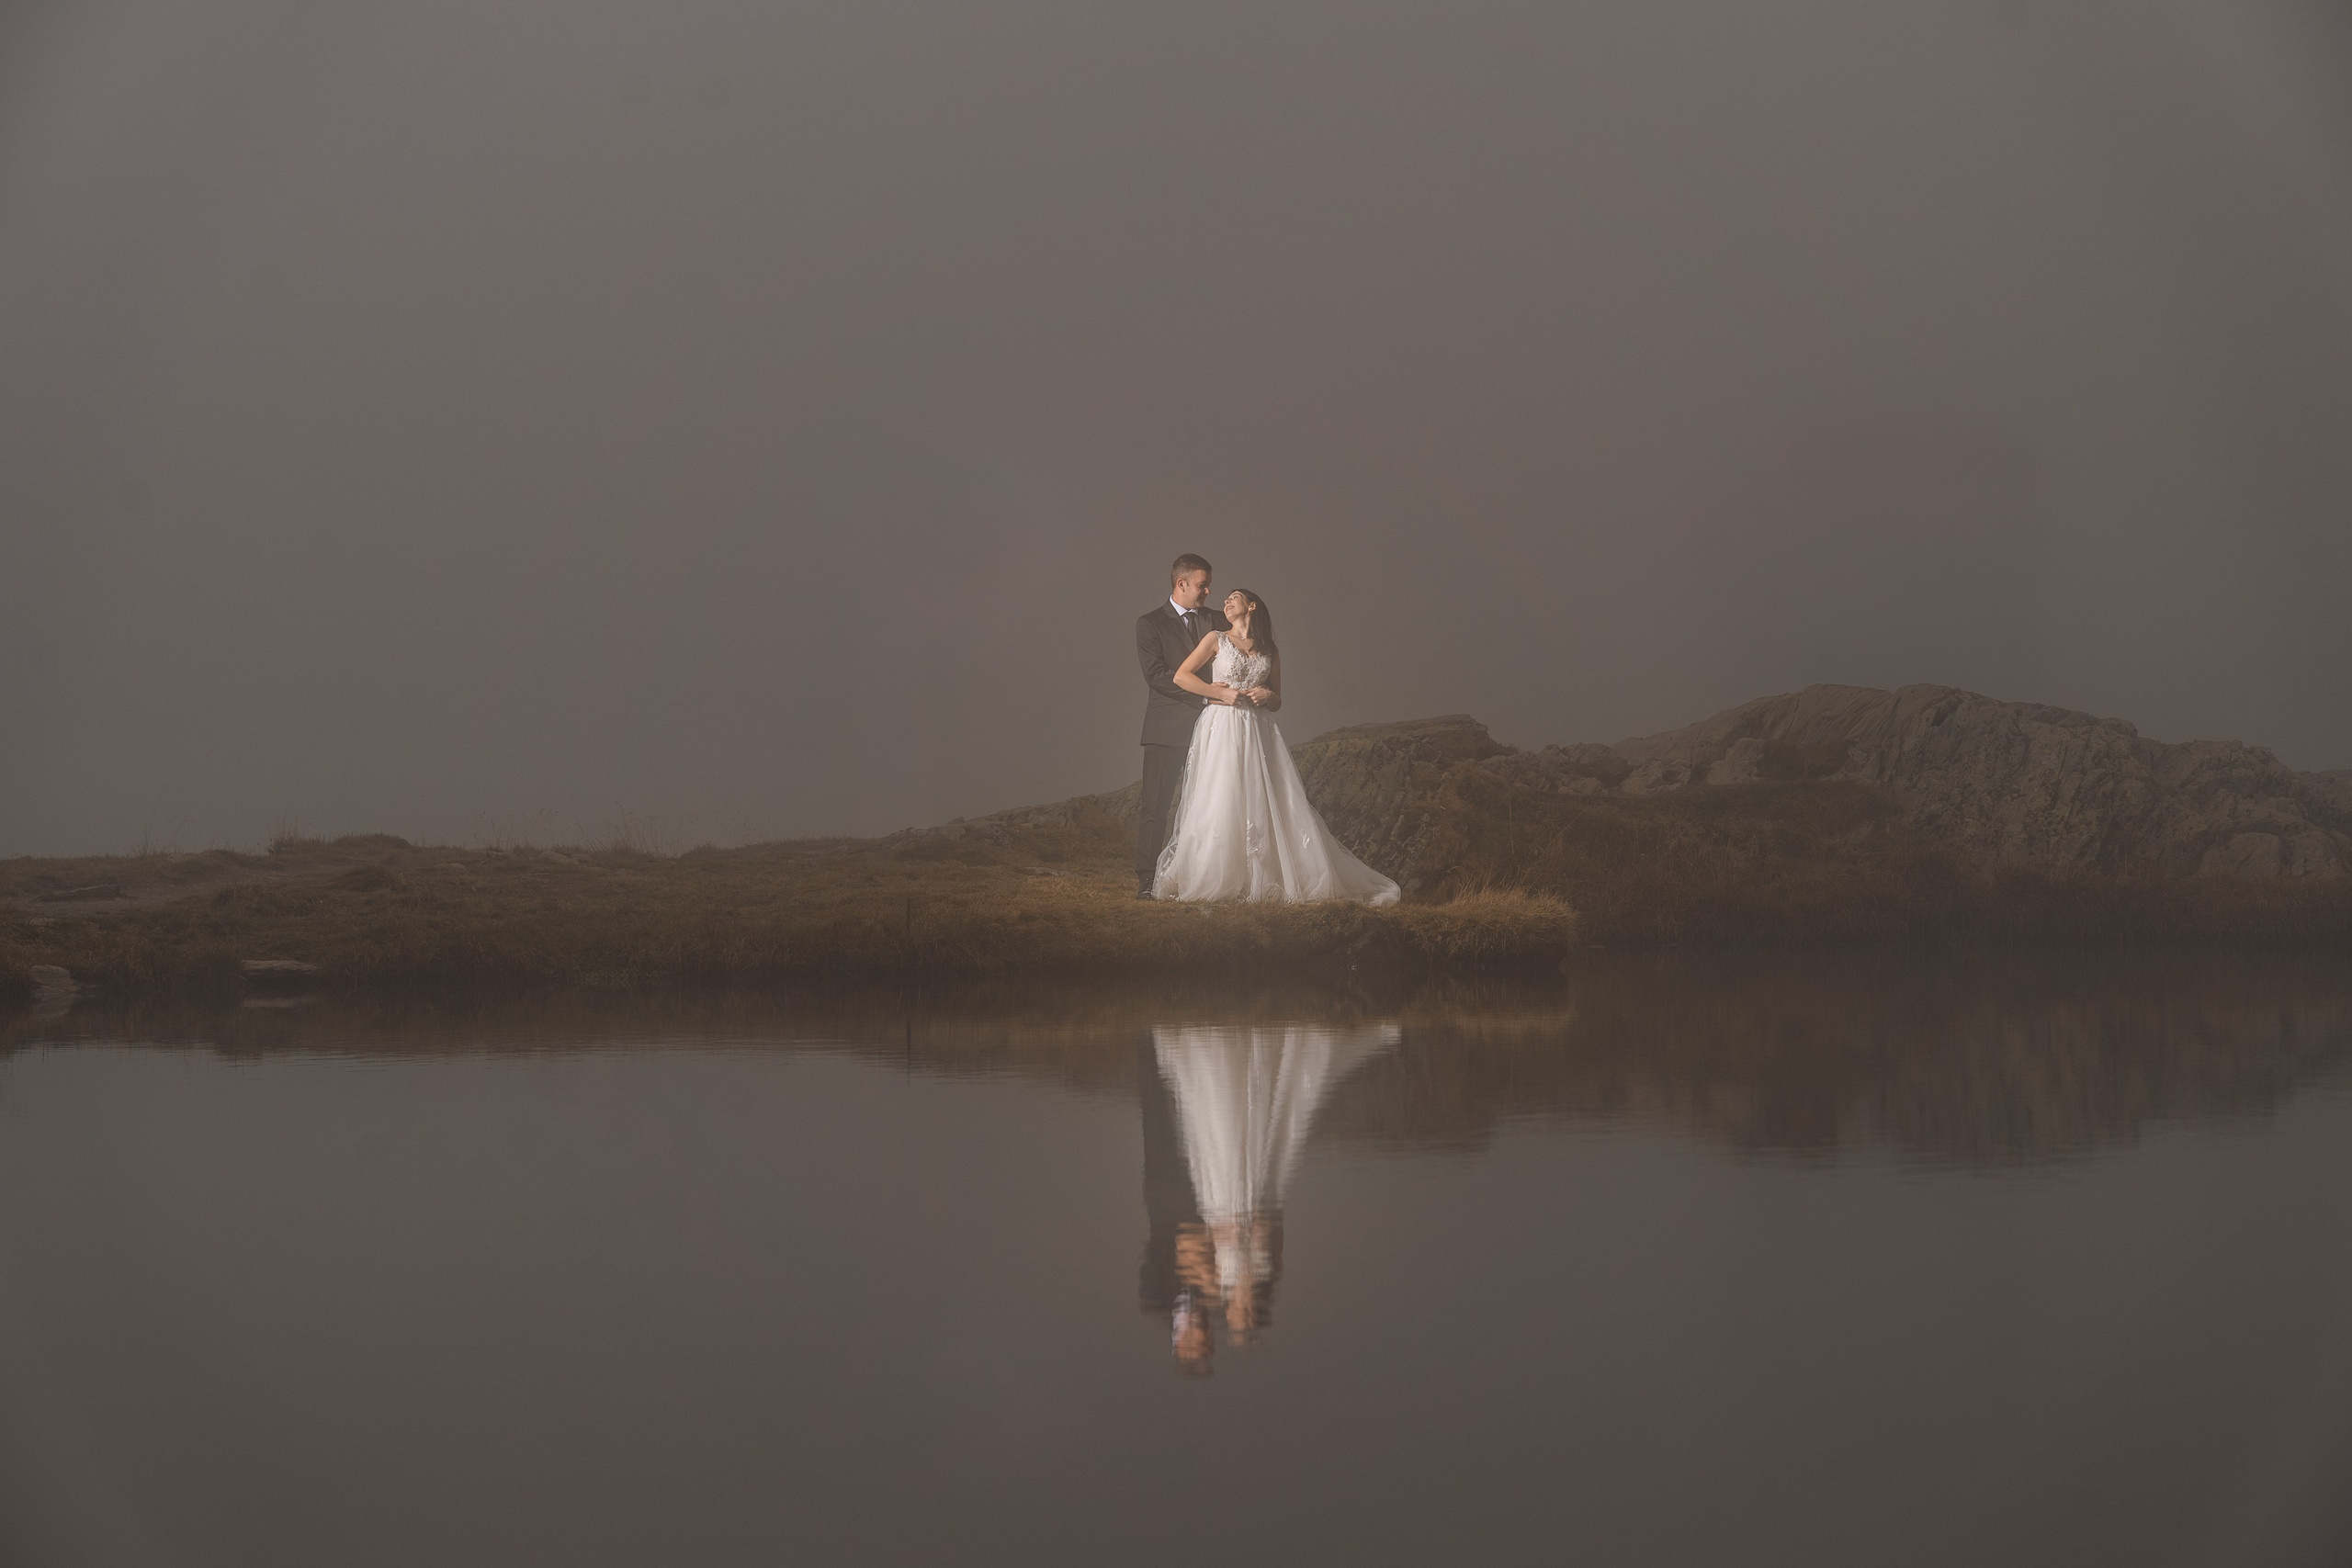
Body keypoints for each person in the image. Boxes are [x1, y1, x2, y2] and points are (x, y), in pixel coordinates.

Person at [1151, 588, 1400, 904]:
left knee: (1265, 795)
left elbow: (1278, 700)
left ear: (1252, 606)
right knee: (1221, 793)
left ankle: (1262, 875)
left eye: (1235, 597)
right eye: (1225, 598)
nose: (1226, 601)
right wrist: (1218, 693)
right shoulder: (1216, 638)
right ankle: (1215, 874)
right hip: (1223, 724)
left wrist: (1268, 697)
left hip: (1258, 729)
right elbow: (1182, 677)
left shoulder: (1270, 650)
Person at [1134, 555, 1230, 898]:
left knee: (1214, 803)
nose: (1208, 590)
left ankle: (1203, 876)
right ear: (1181, 584)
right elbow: (1157, 676)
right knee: (1155, 806)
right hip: (1167, 727)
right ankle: (1147, 879)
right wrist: (1206, 697)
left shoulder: (1218, 620)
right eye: (1203, 584)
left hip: (1217, 728)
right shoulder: (1149, 624)